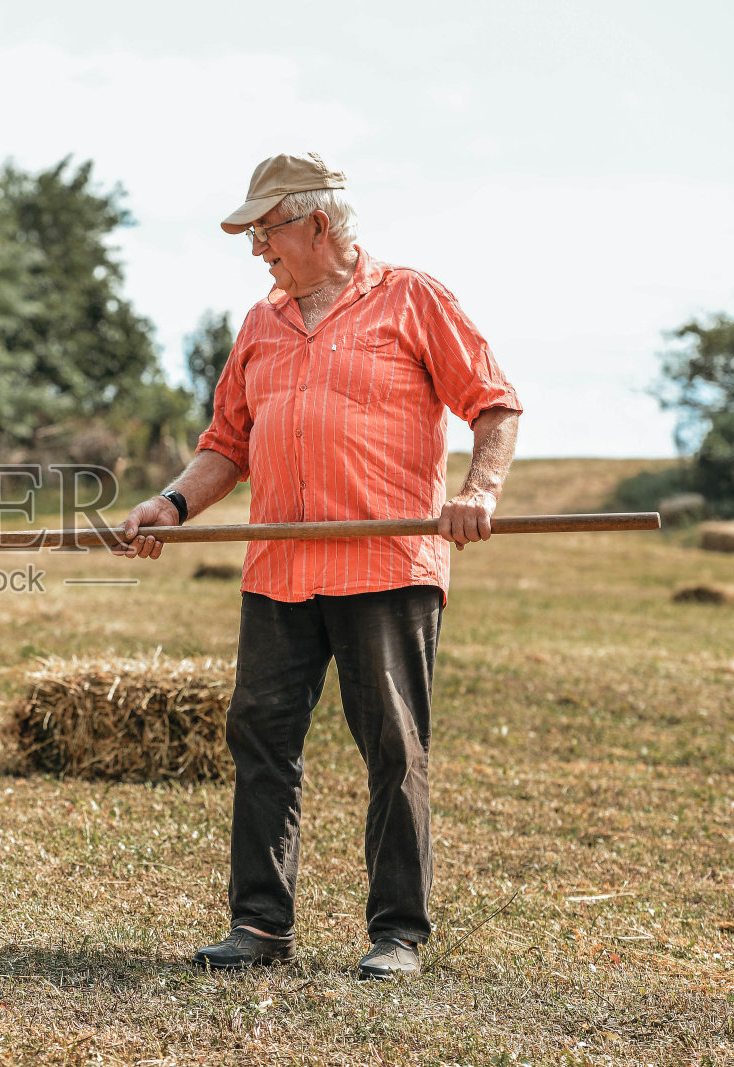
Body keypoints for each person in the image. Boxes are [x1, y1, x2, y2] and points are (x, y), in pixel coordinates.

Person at [114, 152, 521, 980]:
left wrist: (479, 489)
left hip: (386, 564)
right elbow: (226, 443)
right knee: (261, 736)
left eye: (266, 229)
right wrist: (173, 504)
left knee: (392, 747)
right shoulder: (260, 324)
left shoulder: (412, 298)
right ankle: (259, 927)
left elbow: (495, 403)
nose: (258, 248)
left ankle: (398, 933)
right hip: (280, 570)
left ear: (317, 224)